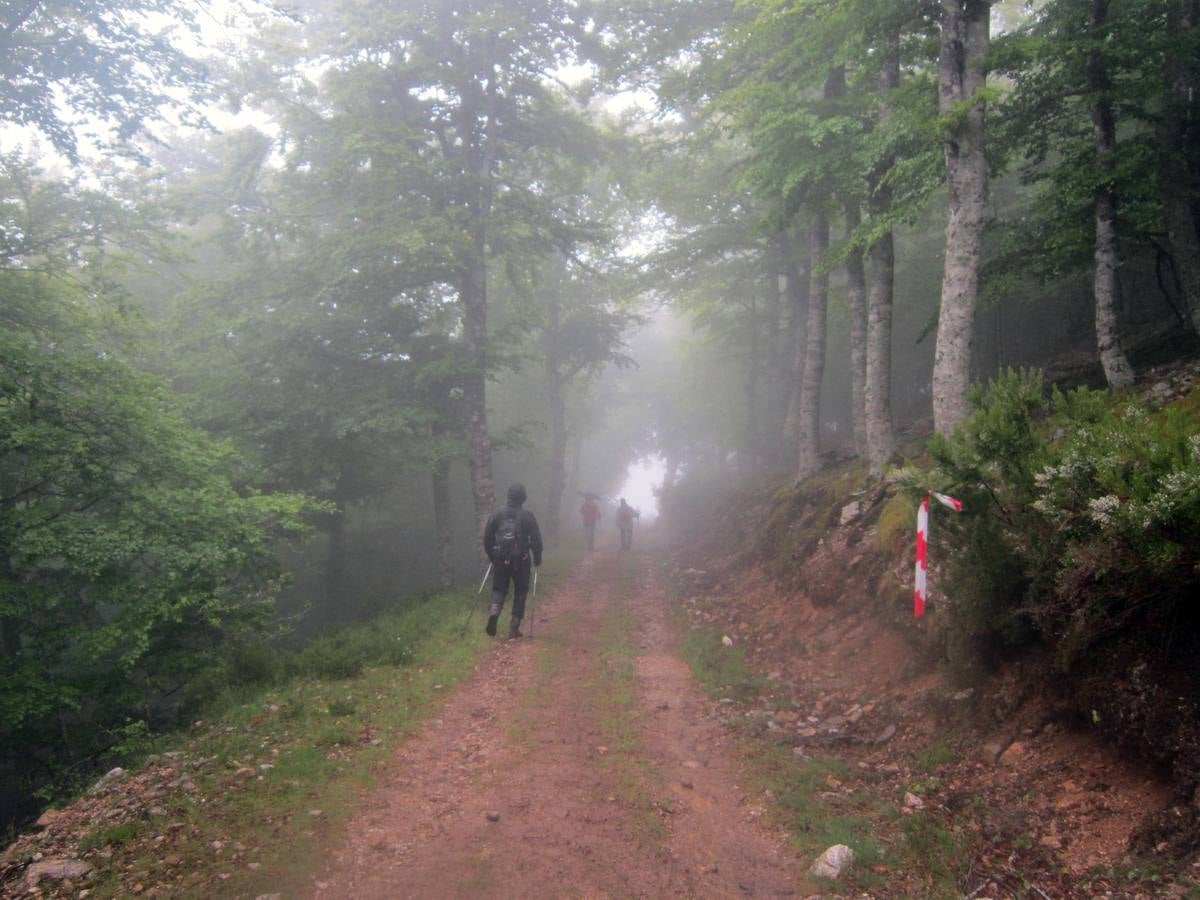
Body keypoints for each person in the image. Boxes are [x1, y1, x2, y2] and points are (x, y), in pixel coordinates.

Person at [482, 483, 543, 639]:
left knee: (499, 589)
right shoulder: (527, 516)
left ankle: (494, 611)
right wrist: (537, 558)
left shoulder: (497, 514)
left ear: (508, 496)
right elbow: (536, 539)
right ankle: (514, 627)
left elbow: (487, 537)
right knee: (521, 591)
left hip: (500, 559)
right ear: (523, 498)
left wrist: (492, 556)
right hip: (521, 560)